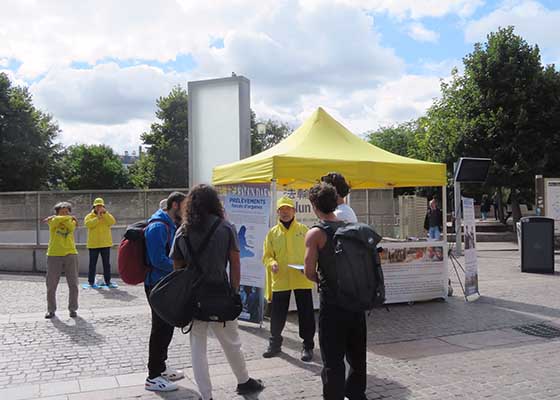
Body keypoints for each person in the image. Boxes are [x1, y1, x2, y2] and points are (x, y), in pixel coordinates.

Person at [170, 184, 264, 400]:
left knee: (197, 348)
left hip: (194, 297)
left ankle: (206, 395)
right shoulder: (225, 227)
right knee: (231, 341)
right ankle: (243, 381)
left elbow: (177, 265)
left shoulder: (182, 231)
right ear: (214, 202)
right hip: (221, 292)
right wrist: (234, 291)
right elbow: (235, 262)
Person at [304, 183, 367, 400]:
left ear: (314, 205)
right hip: (357, 302)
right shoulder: (352, 229)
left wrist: (323, 280)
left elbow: (309, 271)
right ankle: (357, 395)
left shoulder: (316, 234)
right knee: (358, 357)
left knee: (332, 360)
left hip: (333, 305)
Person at [262, 196, 315, 361]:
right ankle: (275, 344)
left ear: (294, 211)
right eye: (282, 210)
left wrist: (310, 267)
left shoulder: (304, 230)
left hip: (301, 278)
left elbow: (313, 253)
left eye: (288, 209)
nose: (285, 212)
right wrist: (272, 264)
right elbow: (267, 256)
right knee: (277, 314)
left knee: (306, 314)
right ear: (277, 212)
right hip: (281, 279)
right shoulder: (272, 233)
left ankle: (307, 346)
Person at [144, 191, 186, 392]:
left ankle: (161, 367)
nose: (187, 211)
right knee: (160, 329)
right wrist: (180, 267)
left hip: (165, 284)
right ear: (176, 205)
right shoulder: (158, 226)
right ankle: (152, 376)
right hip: (156, 285)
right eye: (185, 207)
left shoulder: (169, 225)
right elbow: (157, 259)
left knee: (166, 327)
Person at [44, 202, 79, 319]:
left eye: (67, 212)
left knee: (73, 284)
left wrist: (67, 218)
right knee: (51, 285)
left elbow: (70, 227)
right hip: (54, 254)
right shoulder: (52, 221)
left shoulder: (72, 222)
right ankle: (51, 310)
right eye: (61, 212)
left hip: (70, 253)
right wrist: (66, 217)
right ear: (57, 212)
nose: (64, 214)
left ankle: (73, 309)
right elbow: (54, 223)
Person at [84, 197, 117, 288]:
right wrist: (97, 218)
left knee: (106, 264)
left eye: (101, 206)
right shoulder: (89, 216)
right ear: (94, 207)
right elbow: (88, 224)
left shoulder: (107, 215)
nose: (99, 208)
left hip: (105, 244)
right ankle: (91, 282)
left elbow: (112, 222)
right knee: (92, 264)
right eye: (97, 206)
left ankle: (108, 281)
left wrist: (104, 214)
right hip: (93, 244)